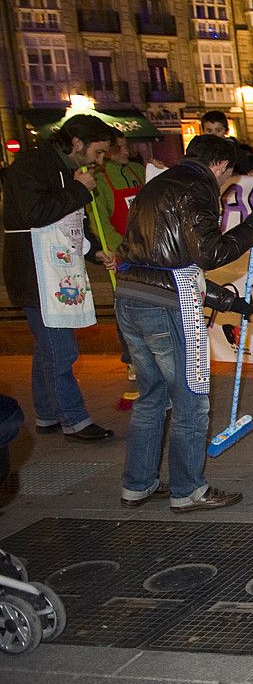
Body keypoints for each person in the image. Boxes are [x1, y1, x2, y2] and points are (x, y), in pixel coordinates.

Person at [114, 134, 253, 513]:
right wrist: (252, 230)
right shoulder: (196, 187)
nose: (224, 183)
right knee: (191, 399)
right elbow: (209, 253)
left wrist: (230, 301)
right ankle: (188, 490)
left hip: (131, 295)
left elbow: (173, 263)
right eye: (228, 176)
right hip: (165, 307)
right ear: (219, 165)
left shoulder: (157, 186)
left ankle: (138, 484)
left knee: (152, 398)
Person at [1, 114, 117, 442]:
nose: (100, 160)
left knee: (48, 346)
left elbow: (73, 223)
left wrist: (95, 251)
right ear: (77, 143)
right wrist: (80, 189)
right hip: (35, 272)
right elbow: (35, 213)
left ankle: (47, 413)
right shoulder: (30, 165)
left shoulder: (68, 169)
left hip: (58, 272)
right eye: (97, 152)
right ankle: (74, 419)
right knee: (61, 349)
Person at [93, 129, 146, 382]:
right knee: (125, 308)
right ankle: (131, 359)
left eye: (126, 146)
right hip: (124, 254)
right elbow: (99, 222)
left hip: (148, 252)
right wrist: (120, 248)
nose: (125, 152)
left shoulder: (138, 171)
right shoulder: (100, 179)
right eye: (118, 148)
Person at [201, 109, 253, 174]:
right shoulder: (200, 149)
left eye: (218, 130)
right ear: (203, 131)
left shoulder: (233, 148)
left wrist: (249, 170)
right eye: (209, 131)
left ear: (226, 131)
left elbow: (243, 163)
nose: (214, 135)